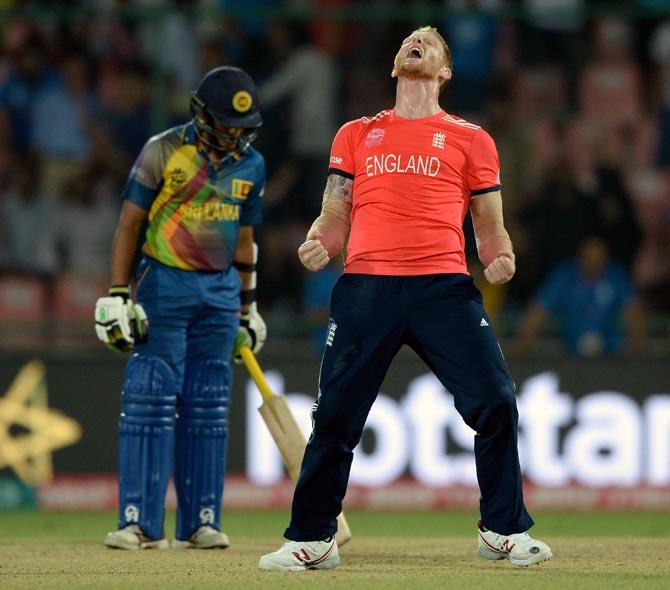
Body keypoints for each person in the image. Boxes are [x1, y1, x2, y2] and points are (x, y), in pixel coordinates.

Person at [259, 26, 552, 571]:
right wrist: (320, 241)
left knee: (496, 402)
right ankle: (312, 539)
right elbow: (335, 210)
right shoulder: (355, 134)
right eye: (410, 40)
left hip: (444, 287)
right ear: (395, 66)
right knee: (336, 417)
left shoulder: (472, 139)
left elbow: (490, 224)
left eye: (430, 41)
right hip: (367, 288)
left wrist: (500, 255)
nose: (417, 42)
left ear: (445, 71)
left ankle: (502, 530)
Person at [94, 66, 266, 550]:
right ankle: (139, 523)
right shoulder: (163, 150)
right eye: (225, 124)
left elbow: (246, 239)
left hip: (221, 292)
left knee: (208, 406)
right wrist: (118, 292)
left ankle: (201, 523)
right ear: (201, 113)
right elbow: (129, 224)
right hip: (163, 283)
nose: (234, 134)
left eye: (241, 126)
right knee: (149, 399)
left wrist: (249, 309)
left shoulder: (252, 165)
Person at [513, 235, 645, 357]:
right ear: (580, 257)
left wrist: (637, 348)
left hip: (609, 356)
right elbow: (539, 309)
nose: (593, 265)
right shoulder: (565, 276)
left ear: (605, 258)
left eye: (598, 260)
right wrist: (519, 348)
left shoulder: (615, 276)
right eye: (589, 260)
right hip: (572, 355)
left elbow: (632, 308)